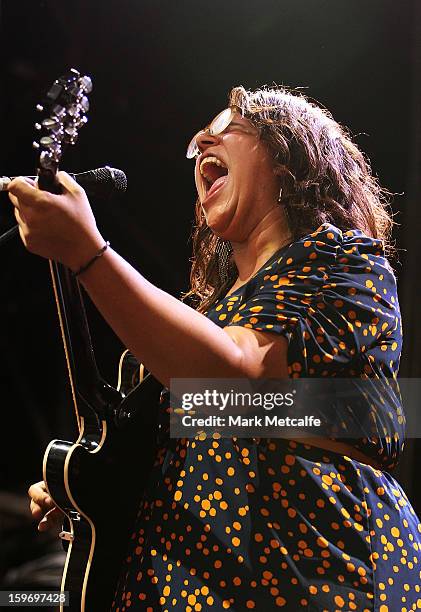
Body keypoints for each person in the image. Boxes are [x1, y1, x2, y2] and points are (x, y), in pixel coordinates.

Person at [12, 85, 421, 611]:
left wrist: (88, 254)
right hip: (186, 583)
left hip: (311, 571)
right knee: (17, 600)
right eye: (198, 139)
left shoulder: (343, 261)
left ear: (287, 157)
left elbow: (241, 380)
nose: (202, 140)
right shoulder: (201, 320)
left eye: (227, 130)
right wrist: (93, 494)